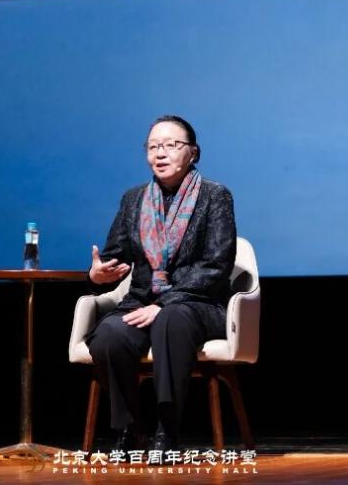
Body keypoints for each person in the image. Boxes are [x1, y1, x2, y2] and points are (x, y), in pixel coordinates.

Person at [85, 115, 237, 454]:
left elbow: (215, 266)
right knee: (109, 335)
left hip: (197, 304)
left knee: (171, 319)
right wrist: (98, 275)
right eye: (153, 146)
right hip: (141, 302)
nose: (160, 153)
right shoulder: (133, 200)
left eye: (171, 145)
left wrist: (164, 304)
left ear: (193, 153)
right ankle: (129, 428)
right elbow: (113, 257)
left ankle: (167, 431)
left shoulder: (215, 196)